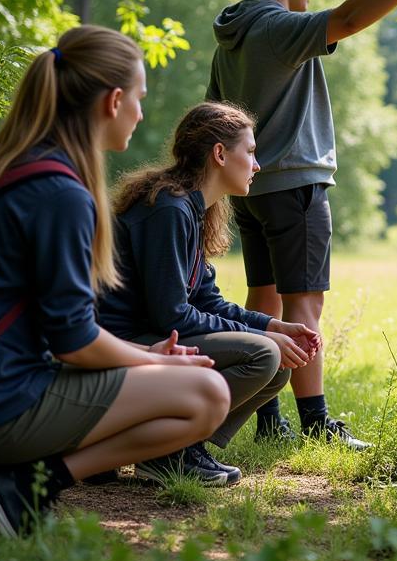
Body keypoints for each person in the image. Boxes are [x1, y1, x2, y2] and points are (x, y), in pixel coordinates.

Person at [0, 25, 231, 537]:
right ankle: (30, 483)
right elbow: (73, 341)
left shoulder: (12, 167)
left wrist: (146, 357)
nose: (141, 112)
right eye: (139, 99)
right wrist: (154, 359)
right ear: (113, 101)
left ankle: (22, 478)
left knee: (188, 381)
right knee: (208, 394)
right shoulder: (60, 193)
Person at [207, 0, 397, 446]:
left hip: (252, 189)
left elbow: (218, 118)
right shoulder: (277, 27)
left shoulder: (231, 39)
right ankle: (316, 424)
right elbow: (348, 20)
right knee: (305, 306)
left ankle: (268, 420)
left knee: (263, 300)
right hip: (297, 185)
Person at [97, 101, 321, 484]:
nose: (257, 165)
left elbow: (206, 300)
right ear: (220, 154)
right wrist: (264, 337)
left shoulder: (191, 208)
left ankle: (178, 444)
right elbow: (171, 315)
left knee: (276, 366)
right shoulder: (168, 210)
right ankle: (168, 450)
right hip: (124, 346)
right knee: (263, 355)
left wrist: (273, 325)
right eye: (250, 152)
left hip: (154, 337)